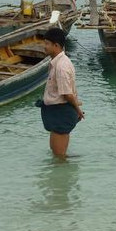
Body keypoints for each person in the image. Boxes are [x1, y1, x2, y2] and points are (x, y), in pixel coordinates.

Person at [38, 28, 84, 158]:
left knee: (59, 157)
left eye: (47, 43)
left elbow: (67, 94)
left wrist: (77, 110)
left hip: (61, 111)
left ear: (56, 45)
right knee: (56, 153)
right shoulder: (56, 62)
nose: (44, 46)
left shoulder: (62, 66)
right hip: (56, 112)